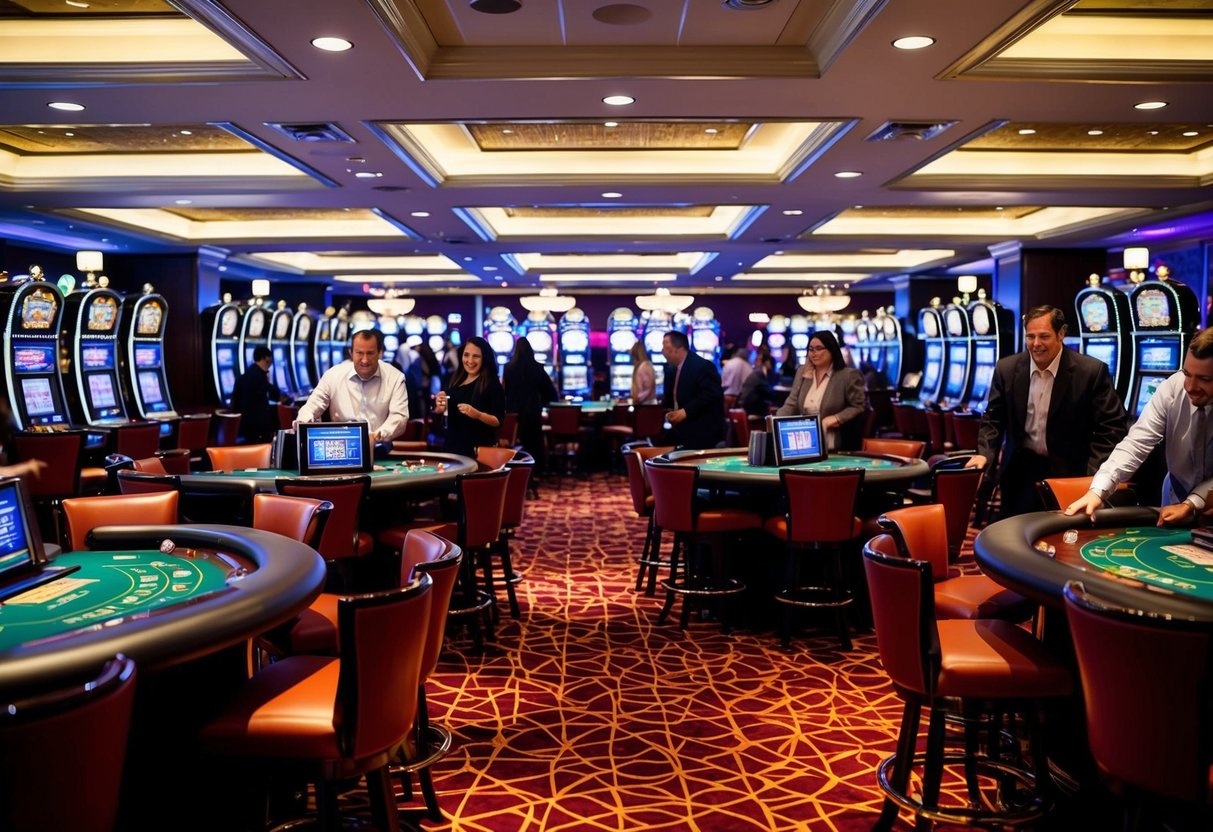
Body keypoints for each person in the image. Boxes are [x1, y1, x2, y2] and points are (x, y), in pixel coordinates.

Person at [967, 305, 1128, 519]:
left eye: (1044, 336)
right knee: (1015, 537)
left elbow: (1112, 427)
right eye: (1030, 337)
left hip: (1070, 473)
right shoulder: (1006, 369)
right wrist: (984, 454)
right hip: (1019, 471)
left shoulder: (1090, 372)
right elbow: (993, 419)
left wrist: (1093, 475)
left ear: (1061, 334)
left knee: (1062, 538)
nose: (1036, 344)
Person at [1066, 326, 1213, 526]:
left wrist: (1192, 503)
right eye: (1187, 373)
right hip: (1174, 499)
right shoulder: (1173, 387)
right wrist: (1098, 491)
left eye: (1204, 379)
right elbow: (1136, 443)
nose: (1190, 386)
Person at [297, 328, 409, 444]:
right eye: (359, 353)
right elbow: (312, 405)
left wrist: (376, 436)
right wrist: (304, 419)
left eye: (370, 353)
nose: (365, 360)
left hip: (379, 448)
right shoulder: (333, 375)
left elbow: (399, 418)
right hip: (339, 448)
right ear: (351, 353)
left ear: (379, 353)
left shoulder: (395, 377)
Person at [776, 330, 866, 451]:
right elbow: (792, 402)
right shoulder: (803, 372)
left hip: (835, 445)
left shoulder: (848, 375)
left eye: (819, 348)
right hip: (805, 444)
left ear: (831, 350)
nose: (814, 353)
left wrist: (834, 419)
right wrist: (775, 422)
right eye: (811, 349)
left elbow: (858, 406)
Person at [433, 336, 505, 457]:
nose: (470, 361)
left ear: (485, 358)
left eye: (476, 356)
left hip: (477, 452)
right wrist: (439, 407)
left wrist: (478, 415)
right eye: (466, 355)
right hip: (451, 448)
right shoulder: (454, 379)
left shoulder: (491, 383)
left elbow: (498, 421)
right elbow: (440, 415)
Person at [660, 329, 724, 450]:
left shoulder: (702, 366)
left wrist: (685, 412)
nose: (662, 351)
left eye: (664, 345)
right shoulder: (673, 369)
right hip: (682, 431)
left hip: (702, 434)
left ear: (678, 348)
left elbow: (711, 394)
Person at [504, 338, 558, 464]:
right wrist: (544, 403)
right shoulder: (537, 368)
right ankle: (536, 470)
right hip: (532, 411)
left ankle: (517, 471)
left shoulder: (508, 368)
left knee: (516, 443)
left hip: (513, 413)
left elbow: (504, 392)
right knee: (534, 443)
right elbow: (551, 392)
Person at [229, 345, 289, 444]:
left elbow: (234, 402)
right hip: (259, 426)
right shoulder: (261, 376)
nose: (270, 364)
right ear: (265, 358)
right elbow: (275, 395)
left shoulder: (243, 376)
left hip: (242, 425)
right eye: (270, 360)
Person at [405, 342, 442, 424]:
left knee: (423, 411)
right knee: (430, 409)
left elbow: (417, 378)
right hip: (432, 388)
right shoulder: (431, 358)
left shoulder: (418, 360)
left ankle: (424, 428)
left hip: (422, 389)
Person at [740, 353, 775, 418]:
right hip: (750, 405)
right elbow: (766, 391)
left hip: (748, 403)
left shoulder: (758, 371)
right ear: (767, 362)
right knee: (774, 409)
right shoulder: (759, 373)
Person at [630, 340, 657, 405]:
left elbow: (648, 388)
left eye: (632, 356)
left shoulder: (645, 366)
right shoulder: (642, 365)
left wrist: (637, 399)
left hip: (647, 405)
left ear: (636, 355)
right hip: (643, 403)